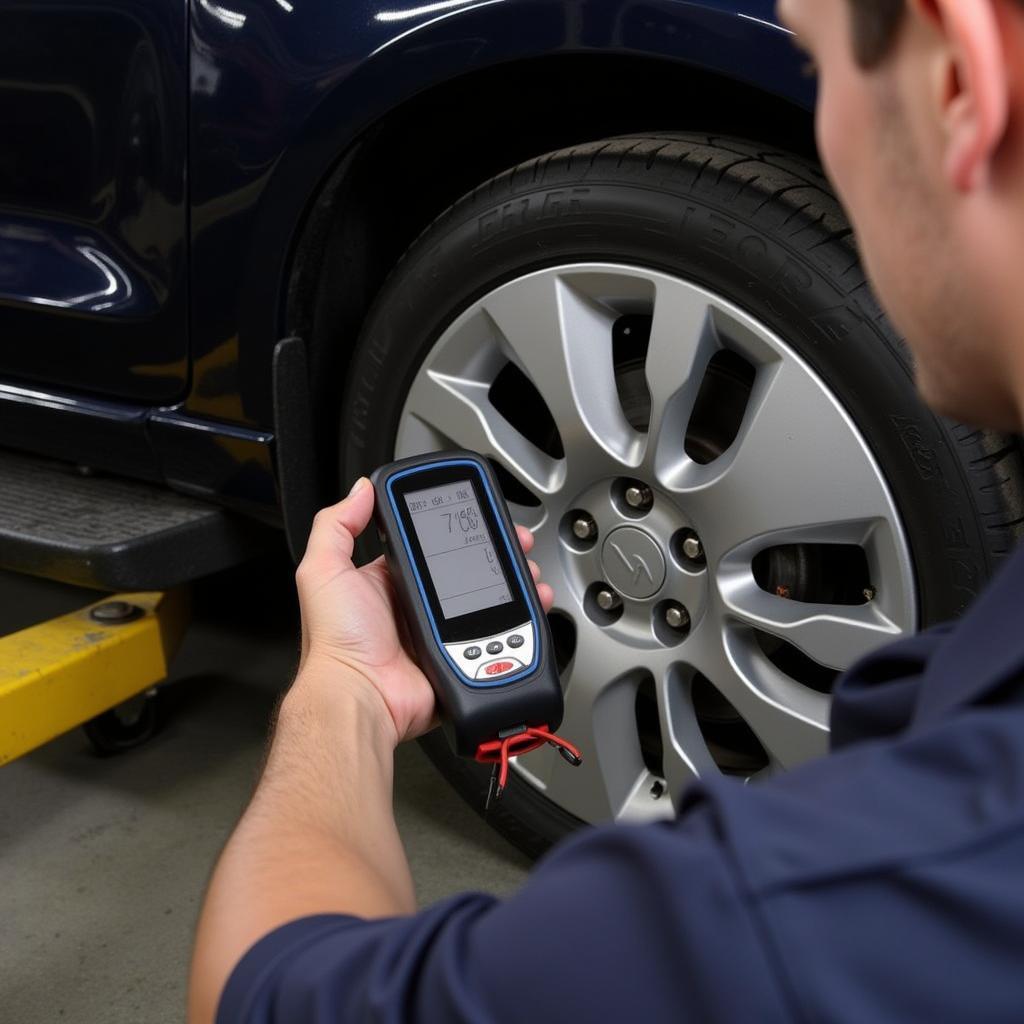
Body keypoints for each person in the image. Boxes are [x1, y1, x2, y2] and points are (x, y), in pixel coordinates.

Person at [189, 1, 1024, 1019]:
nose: (829, 137)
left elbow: (267, 992)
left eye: (816, 67)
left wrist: (345, 697)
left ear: (958, 80)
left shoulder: (812, 910)